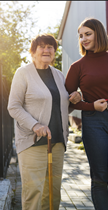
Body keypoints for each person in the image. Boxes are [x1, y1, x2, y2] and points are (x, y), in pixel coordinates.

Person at [7, 33, 81, 210]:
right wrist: (35, 125)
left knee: (53, 193)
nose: (47, 50)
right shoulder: (23, 73)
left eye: (50, 47)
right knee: (34, 193)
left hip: (57, 143)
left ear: (54, 52)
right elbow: (14, 106)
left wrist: (76, 98)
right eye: (42, 46)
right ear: (33, 52)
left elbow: (61, 107)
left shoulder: (59, 76)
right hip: (33, 143)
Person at [65, 18, 108, 210]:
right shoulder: (77, 67)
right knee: (100, 177)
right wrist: (89, 105)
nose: (83, 39)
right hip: (94, 123)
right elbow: (66, 102)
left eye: (88, 34)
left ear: (99, 33)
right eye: (80, 35)